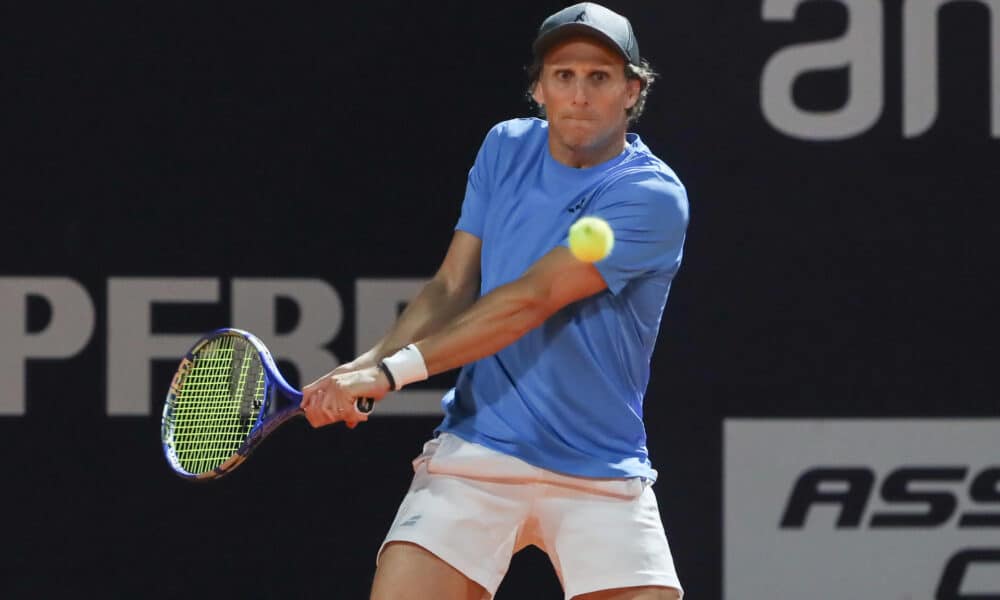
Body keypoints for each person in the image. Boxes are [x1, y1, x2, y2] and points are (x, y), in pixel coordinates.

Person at [301, 3, 688, 599]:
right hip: (479, 452)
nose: (580, 95)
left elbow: (528, 302)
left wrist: (390, 372)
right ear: (538, 89)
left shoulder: (650, 196)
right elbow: (453, 285)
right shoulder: (504, 148)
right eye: (564, 76)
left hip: (601, 472)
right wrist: (365, 364)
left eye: (600, 77)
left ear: (632, 91)